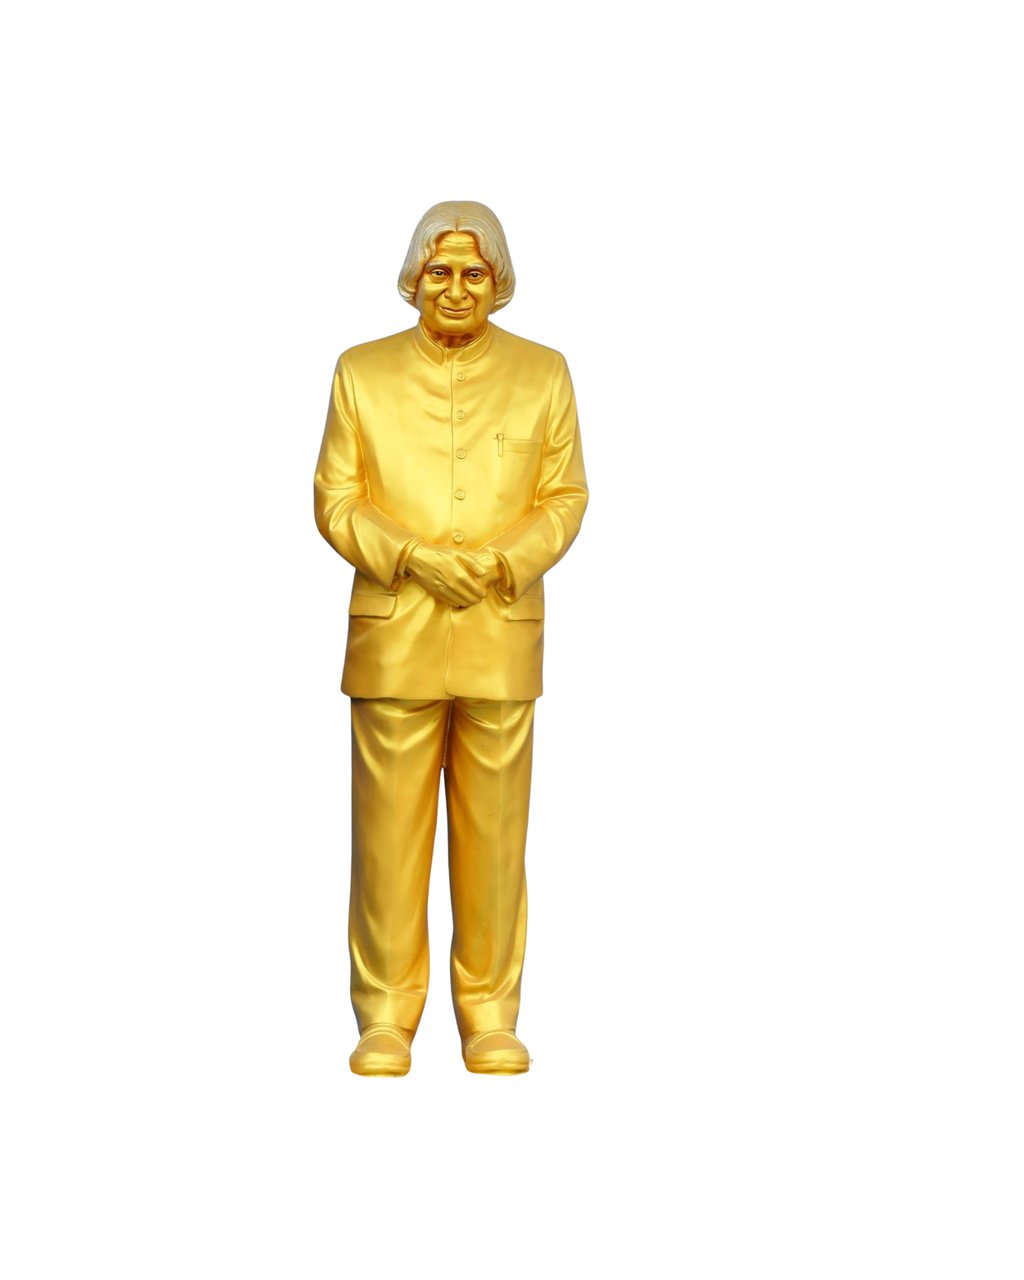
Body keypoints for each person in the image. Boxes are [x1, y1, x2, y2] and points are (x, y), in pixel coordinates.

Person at [314, 201, 588, 1075]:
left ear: (499, 282)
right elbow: (335, 498)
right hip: (394, 636)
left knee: (496, 843)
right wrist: (412, 557)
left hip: (501, 635)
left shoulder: (545, 372)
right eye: (440, 271)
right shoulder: (361, 372)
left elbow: (566, 497)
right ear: (413, 279)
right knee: (386, 843)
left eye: (475, 272)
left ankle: (491, 1015)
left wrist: (505, 562)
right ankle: (384, 1018)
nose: (458, 288)